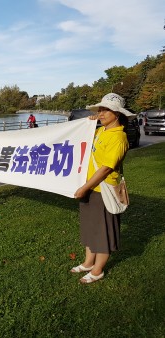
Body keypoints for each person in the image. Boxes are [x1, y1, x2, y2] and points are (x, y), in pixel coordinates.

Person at [72, 93, 134, 284]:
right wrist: (90, 123)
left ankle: (98, 270)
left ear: (117, 114)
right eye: (100, 109)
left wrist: (85, 187)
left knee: (103, 231)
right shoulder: (101, 131)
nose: (101, 113)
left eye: (106, 110)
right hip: (90, 187)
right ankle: (89, 262)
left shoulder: (119, 137)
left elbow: (106, 168)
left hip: (102, 189)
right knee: (90, 228)